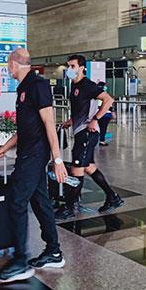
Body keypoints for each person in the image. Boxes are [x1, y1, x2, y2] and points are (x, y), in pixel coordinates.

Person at [0, 48, 67, 283]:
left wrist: (57, 160)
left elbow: (49, 123)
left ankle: (20, 261)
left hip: (34, 155)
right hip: (27, 152)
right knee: (40, 202)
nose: (7, 69)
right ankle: (54, 251)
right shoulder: (23, 88)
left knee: (16, 202)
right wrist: (6, 146)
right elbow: (25, 127)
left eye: (8, 64)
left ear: (14, 64)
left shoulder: (37, 85)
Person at [56, 55, 123, 221]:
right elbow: (81, 109)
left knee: (76, 169)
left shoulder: (88, 85)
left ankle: (69, 208)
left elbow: (108, 99)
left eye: (72, 66)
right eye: (68, 66)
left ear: (82, 68)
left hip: (87, 133)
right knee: (89, 167)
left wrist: (95, 119)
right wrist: (71, 121)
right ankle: (112, 197)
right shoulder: (74, 85)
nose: (69, 69)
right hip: (80, 132)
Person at [96, 81, 112, 146]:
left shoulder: (96, 94)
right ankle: (101, 140)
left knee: (100, 128)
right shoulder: (104, 95)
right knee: (103, 128)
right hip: (104, 114)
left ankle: (100, 140)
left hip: (101, 113)